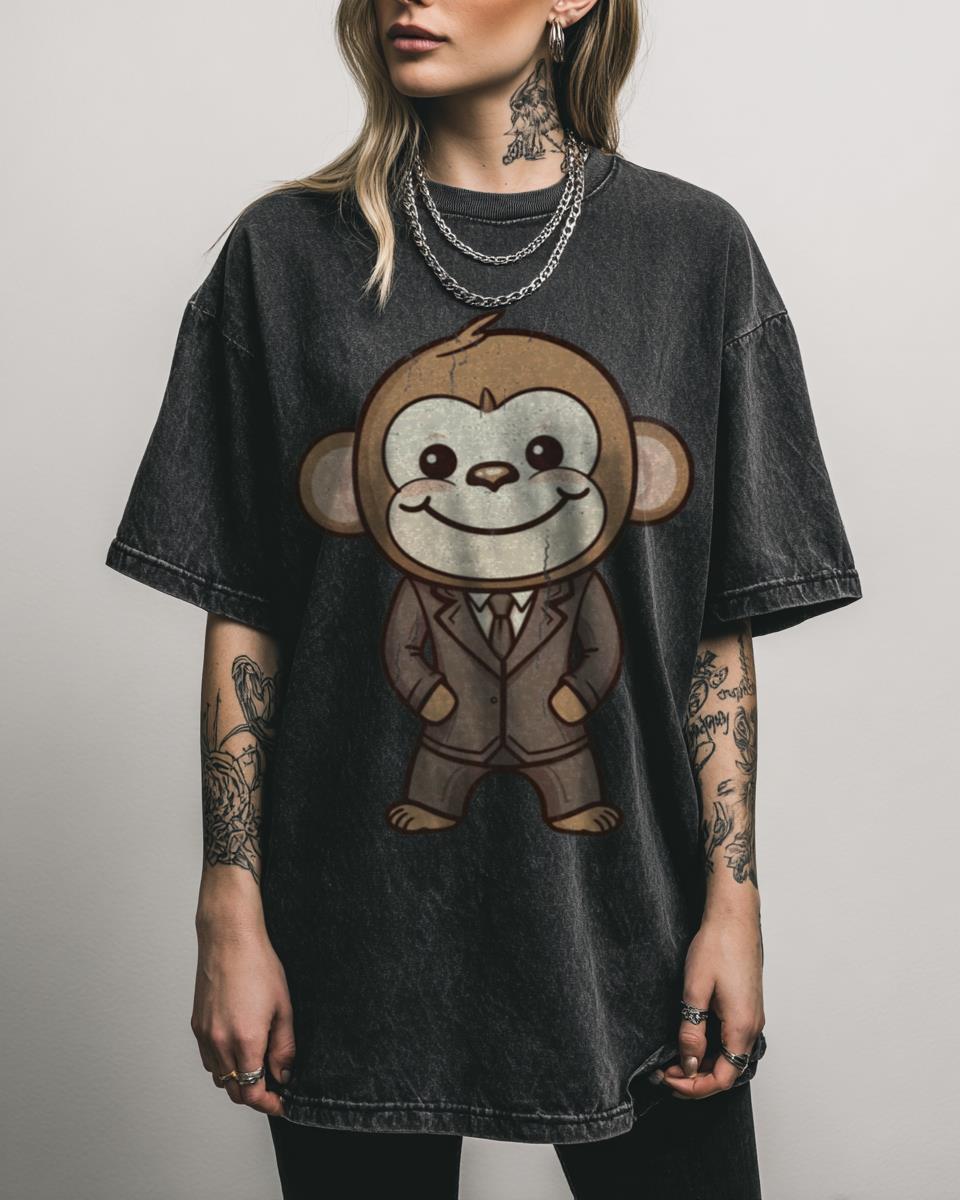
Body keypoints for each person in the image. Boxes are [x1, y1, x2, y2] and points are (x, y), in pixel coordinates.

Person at [103, 1, 863, 1196]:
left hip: (635, 927)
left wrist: (735, 903)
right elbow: (245, 611)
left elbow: (715, 634)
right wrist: (229, 906)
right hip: (350, 934)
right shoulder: (282, 256)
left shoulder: (694, 253)